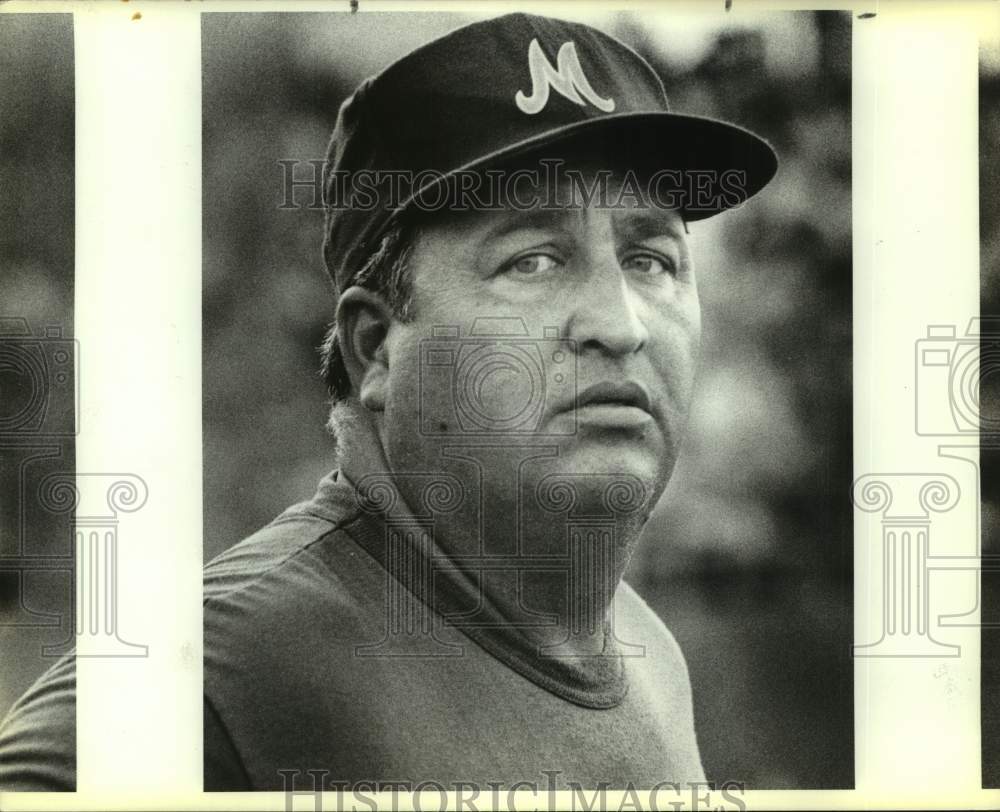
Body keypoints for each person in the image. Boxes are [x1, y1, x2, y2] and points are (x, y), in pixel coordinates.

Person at [0, 11, 776, 793]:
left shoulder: (649, 651)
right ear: (376, 345)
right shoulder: (221, 675)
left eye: (650, 260)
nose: (620, 324)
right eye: (533, 261)